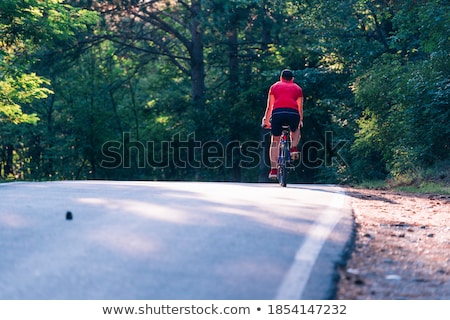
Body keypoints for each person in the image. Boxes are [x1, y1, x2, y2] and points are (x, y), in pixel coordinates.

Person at [261, 69, 303, 179]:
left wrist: (266, 120)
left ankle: (274, 170)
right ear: (292, 79)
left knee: (275, 141)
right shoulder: (298, 89)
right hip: (293, 113)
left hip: (278, 114)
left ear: (281, 78)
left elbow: (270, 106)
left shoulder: (274, 87)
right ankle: (293, 147)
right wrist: (300, 121)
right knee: (296, 129)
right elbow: (300, 108)